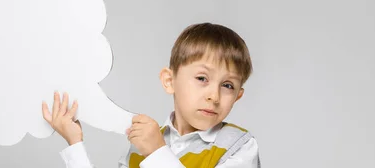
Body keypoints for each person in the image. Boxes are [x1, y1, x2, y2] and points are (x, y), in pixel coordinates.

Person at [42, 23, 260, 168]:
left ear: (238, 96)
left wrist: (157, 152)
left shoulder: (239, 145)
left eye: (228, 85)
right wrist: (75, 143)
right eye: (202, 78)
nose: (214, 95)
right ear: (169, 81)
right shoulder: (141, 145)